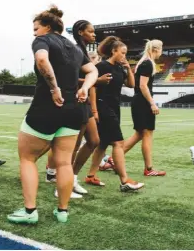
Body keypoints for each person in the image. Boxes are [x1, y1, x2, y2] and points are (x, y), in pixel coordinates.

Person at [7, 6, 98, 224]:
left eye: (36, 28)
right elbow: (93, 70)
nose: (34, 33)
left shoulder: (43, 40)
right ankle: (62, 211)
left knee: (28, 159)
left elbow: (41, 60)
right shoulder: (76, 49)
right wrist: (85, 88)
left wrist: (54, 87)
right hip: (73, 110)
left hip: (46, 107)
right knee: (64, 163)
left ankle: (30, 212)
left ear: (47, 27)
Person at [85, 36, 144, 190]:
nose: (125, 56)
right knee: (118, 143)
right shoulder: (101, 66)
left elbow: (131, 85)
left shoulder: (120, 68)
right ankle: (124, 180)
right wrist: (94, 110)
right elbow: (92, 86)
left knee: (103, 144)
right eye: (122, 53)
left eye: (126, 53)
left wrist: (128, 69)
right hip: (102, 106)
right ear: (114, 51)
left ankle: (91, 176)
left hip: (114, 108)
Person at [123, 40, 166, 176]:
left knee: (139, 134)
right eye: (161, 49)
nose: (162, 52)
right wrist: (152, 103)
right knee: (147, 134)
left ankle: (112, 159)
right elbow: (142, 85)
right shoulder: (147, 63)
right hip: (142, 103)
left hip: (139, 102)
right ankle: (149, 169)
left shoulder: (144, 62)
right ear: (156, 49)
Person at [69, 20, 101, 195]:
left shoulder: (84, 51)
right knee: (72, 146)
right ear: (81, 32)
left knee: (94, 141)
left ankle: (72, 177)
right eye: (91, 31)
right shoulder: (75, 50)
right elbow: (70, 77)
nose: (94, 34)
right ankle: (62, 184)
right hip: (77, 100)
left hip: (85, 101)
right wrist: (98, 80)